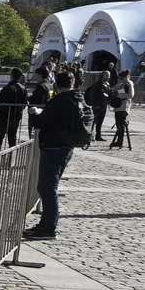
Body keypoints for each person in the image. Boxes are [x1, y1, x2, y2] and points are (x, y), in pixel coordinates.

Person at [26, 70, 90, 239]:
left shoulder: (60, 102)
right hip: (66, 147)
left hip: (54, 147)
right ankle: (45, 223)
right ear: (73, 83)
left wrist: (34, 114)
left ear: (56, 84)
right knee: (47, 187)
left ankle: (49, 228)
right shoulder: (78, 99)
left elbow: (42, 122)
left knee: (47, 188)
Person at [0, 67, 28, 153]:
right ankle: (10, 158)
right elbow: (25, 102)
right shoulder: (23, 88)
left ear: (11, 75)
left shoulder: (7, 88)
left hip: (4, 117)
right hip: (16, 117)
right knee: (12, 139)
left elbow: (1, 101)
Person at [107, 68, 136, 149]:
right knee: (118, 125)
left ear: (126, 77)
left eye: (122, 78)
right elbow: (119, 91)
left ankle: (120, 142)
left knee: (121, 125)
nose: (120, 79)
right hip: (118, 107)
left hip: (123, 107)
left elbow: (130, 95)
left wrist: (120, 95)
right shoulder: (122, 84)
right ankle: (119, 141)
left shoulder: (129, 84)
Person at [83, 69, 110, 141]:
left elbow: (108, 94)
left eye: (108, 76)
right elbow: (92, 95)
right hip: (97, 106)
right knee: (93, 121)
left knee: (100, 122)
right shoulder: (97, 85)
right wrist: (94, 104)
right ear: (102, 75)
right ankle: (90, 135)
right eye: (106, 75)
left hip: (104, 105)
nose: (108, 77)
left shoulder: (107, 85)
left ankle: (98, 136)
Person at [26, 70, 51, 139]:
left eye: (36, 74)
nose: (35, 76)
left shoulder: (40, 86)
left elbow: (35, 99)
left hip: (36, 113)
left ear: (40, 75)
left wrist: (28, 97)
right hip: (46, 111)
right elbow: (51, 97)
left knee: (33, 134)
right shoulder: (50, 86)